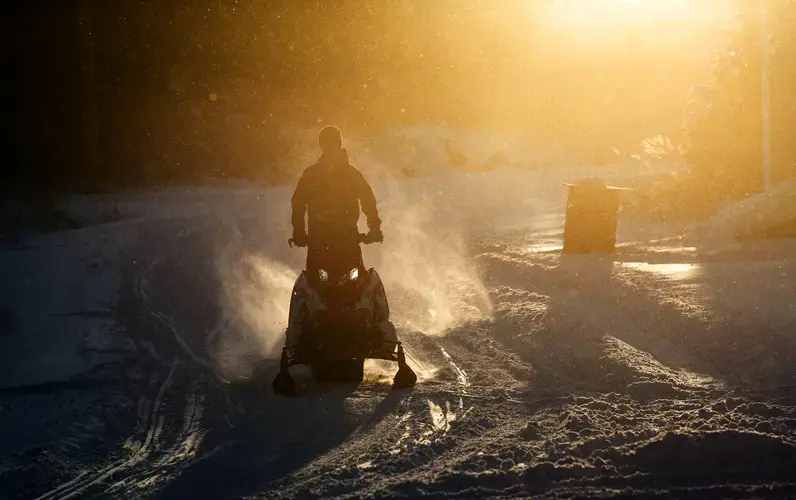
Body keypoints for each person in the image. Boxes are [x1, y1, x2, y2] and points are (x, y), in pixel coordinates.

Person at [290, 125, 383, 276]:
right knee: (311, 286)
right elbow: (298, 204)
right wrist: (299, 232)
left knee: (361, 284)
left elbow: (368, 200)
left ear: (339, 144)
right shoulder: (311, 174)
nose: (330, 148)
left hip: (348, 243)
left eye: (333, 143)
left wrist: (374, 228)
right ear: (321, 146)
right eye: (326, 143)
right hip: (318, 245)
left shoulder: (351, 174)